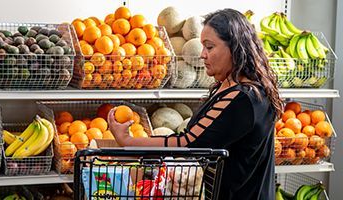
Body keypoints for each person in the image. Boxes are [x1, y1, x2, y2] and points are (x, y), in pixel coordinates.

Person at [107, 8, 283, 200]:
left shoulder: (243, 99)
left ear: (235, 47)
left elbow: (189, 142)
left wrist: (128, 142)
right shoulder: (237, 88)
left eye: (209, 47)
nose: (202, 55)